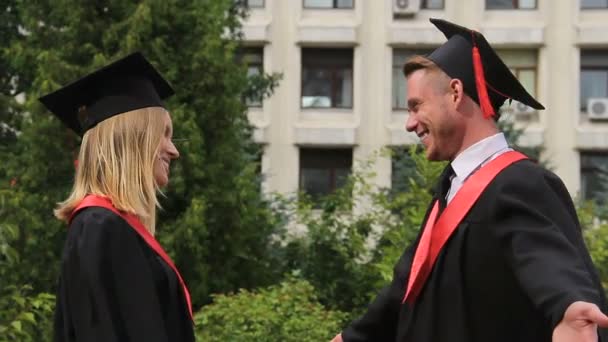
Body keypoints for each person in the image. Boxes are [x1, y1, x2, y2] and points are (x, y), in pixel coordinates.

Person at [332, 18, 608, 342]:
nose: (409, 123)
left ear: (455, 92)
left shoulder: (519, 182)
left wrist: (569, 306)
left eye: (416, 106)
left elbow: (549, 258)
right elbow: (404, 289)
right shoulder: (450, 189)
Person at [40, 52, 195, 342]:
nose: (174, 150)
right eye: (163, 135)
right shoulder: (99, 228)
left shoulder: (111, 227)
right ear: (131, 141)